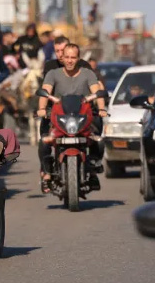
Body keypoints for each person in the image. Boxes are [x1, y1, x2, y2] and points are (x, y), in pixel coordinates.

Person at [37, 44, 107, 191]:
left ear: (78, 58)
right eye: (67, 57)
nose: (69, 61)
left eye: (73, 57)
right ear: (62, 58)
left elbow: (97, 91)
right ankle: (47, 174)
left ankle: (93, 170)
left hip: (82, 118)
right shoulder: (53, 74)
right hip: (59, 119)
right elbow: (45, 91)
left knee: (98, 140)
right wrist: (42, 109)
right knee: (44, 141)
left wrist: (101, 109)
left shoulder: (87, 74)